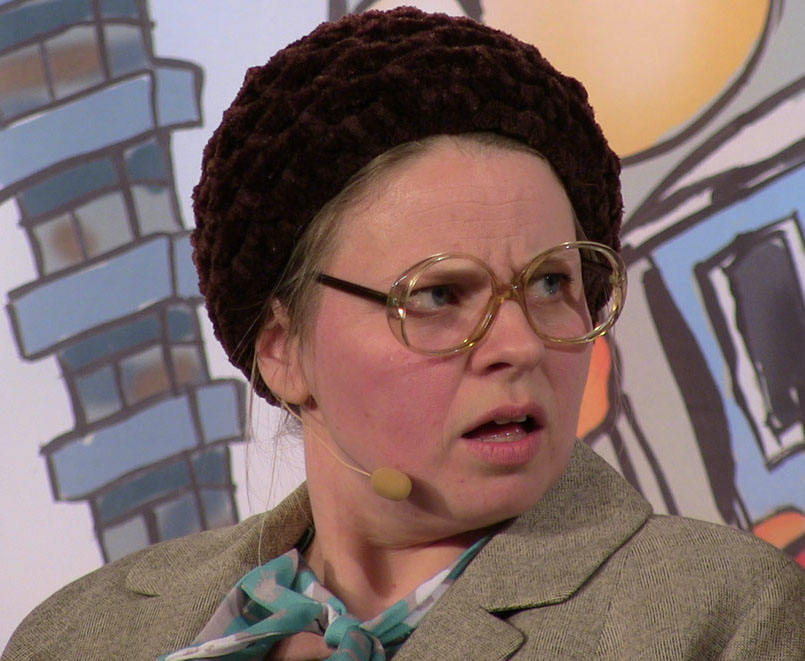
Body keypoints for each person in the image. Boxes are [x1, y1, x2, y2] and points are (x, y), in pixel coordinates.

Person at [5, 7, 805, 661]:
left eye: (551, 283)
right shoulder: (80, 634)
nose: (519, 344)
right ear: (282, 349)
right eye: (438, 295)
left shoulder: (723, 617)